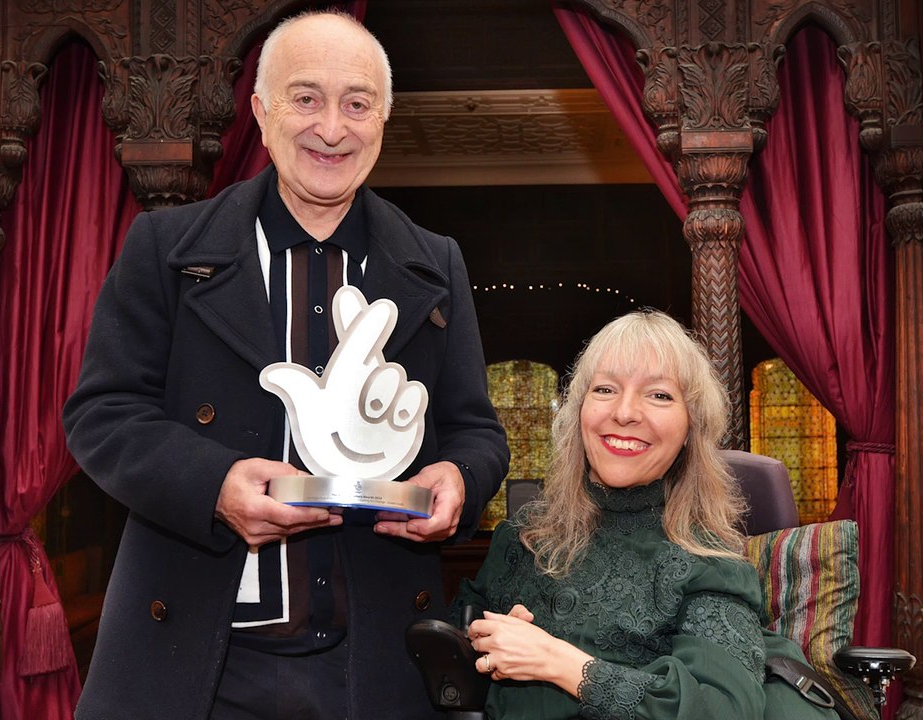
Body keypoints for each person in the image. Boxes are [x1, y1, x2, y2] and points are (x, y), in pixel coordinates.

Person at [63, 10, 508, 720]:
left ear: (383, 119)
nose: (332, 127)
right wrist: (213, 484)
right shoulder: (164, 248)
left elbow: (476, 432)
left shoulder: (437, 264)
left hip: (377, 663)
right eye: (306, 98)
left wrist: (459, 480)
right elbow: (101, 415)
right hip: (197, 664)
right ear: (262, 114)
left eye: (357, 104)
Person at [454, 310, 835, 719]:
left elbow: (722, 710)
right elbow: (451, 665)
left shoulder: (709, 562)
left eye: (659, 395)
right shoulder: (522, 537)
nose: (625, 412)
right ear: (577, 412)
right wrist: (481, 642)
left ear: (691, 429)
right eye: (604, 389)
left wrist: (561, 664)